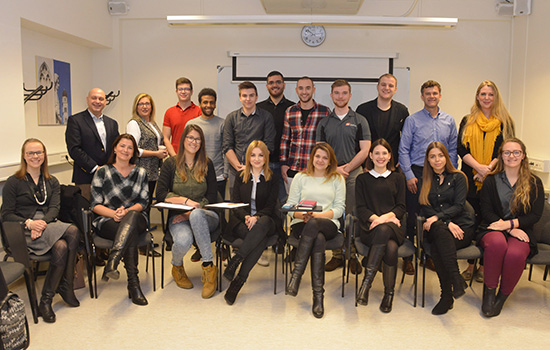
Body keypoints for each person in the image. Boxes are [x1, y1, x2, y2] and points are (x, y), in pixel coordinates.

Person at [1, 138, 81, 323]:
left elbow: (54, 208)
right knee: (63, 243)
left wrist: (42, 224)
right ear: (24, 156)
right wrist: (30, 224)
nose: (35, 156)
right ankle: (61, 290)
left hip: (47, 225)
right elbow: (6, 214)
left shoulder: (51, 181)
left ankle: (48, 298)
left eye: (39, 152)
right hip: (22, 231)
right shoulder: (14, 182)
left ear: (44, 155)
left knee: (72, 232)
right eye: (31, 153)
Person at [478, 138, 544, 317]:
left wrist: (511, 224)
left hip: (521, 230)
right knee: (497, 245)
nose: (511, 156)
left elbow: (535, 215)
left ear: (523, 156)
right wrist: (507, 229)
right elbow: (485, 211)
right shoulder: (491, 181)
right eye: (507, 152)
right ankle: (489, 294)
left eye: (516, 152)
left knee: (515, 253)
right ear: (501, 156)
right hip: (492, 227)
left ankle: (502, 297)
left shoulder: (535, 183)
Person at [458, 80, 515, 282]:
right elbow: (461, 149)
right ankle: (470, 265)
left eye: (490, 94)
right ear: (477, 97)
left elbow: (506, 150)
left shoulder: (505, 122)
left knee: (489, 221)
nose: (487, 98)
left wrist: (488, 169)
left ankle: (484, 267)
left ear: (495, 97)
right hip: (470, 178)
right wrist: (479, 168)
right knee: (471, 220)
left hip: (495, 179)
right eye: (483, 94)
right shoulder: (467, 120)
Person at [398, 80, 458, 275]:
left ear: (440, 95)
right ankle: (408, 258)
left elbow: (452, 149)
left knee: (433, 215)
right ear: (422, 97)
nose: (431, 96)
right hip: (416, 173)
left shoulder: (449, 120)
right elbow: (403, 149)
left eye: (435, 93)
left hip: (440, 175)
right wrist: (408, 175)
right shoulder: (412, 120)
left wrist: (452, 175)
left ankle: (429, 256)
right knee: (413, 215)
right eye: (427, 93)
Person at [156, 124, 219, 299]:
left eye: (197, 139)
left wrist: (191, 211)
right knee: (183, 241)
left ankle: (208, 268)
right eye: (190, 137)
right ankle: (177, 267)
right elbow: (160, 194)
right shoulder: (170, 164)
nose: (193, 142)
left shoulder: (207, 164)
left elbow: (212, 196)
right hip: (179, 217)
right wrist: (185, 203)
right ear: (183, 140)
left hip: (206, 215)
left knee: (197, 214)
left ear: (201, 143)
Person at [285, 143, 346, 318]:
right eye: (318, 156)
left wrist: (318, 216)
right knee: (317, 238)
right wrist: (302, 214)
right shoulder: (300, 177)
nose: (320, 160)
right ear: (312, 157)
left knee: (316, 226)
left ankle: (296, 275)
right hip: (301, 222)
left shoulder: (337, 179)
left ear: (330, 161)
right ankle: (318, 297)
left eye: (325, 158)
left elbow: (340, 209)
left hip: (328, 222)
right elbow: (290, 206)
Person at [316, 79, 370, 274]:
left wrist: (346, 168)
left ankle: (353, 254)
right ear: (332, 96)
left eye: (344, 93)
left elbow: (365, 150)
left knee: (352, 215)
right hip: (330, 175)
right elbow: (319, 152)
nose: (340, 96)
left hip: (353, 174)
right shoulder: (324, 122)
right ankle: (337, 255)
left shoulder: (360, 120)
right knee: (333, 215)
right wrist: (334, 168)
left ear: (350, 95)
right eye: (336, 93)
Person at [90, 134, 149, 306]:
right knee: (128, 233)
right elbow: (94, 204)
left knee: (130, 220)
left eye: (130, 147)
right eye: (122, 146)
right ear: (115, 148)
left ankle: (113, 261)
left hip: (136, 217)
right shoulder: (102, 172)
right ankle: (133, 284)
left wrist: (126, 212)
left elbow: (144, 202)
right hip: (107, 219)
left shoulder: (141, 173)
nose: (125, 150)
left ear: (134, 152)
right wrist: (113, 214)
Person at [419, 142, 474, 315]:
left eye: (440, 155)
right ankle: (455, 280)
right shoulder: (426, 180)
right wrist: (446, 222)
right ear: (428, 159)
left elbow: (459, 205)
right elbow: (425, 207)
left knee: (437, 246)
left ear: (446, 157)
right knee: (439, 233)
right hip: (442, 228)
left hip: (461, 228)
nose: (437, 160)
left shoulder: (459, 177)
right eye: (433, 156)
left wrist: (439, 217)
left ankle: (446, 296)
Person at [223, 141, 279, 305]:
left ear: (266, 157)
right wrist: (247, 217)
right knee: (259, 240)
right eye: (253, 155)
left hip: (265, 220)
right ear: (248, 157)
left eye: (260, 155)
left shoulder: (272, 178)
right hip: (242, 221)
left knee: (263, 224)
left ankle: (236, 260)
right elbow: (235, 203)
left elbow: (270, 206)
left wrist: (257, 217)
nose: (256, 159)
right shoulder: (241, 176)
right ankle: (238, 282)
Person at [355, 139, 406, 313]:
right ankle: (388, 294)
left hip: (390, 226)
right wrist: (376, 219)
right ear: (370, 155)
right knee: (390, 247)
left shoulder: (398, 178)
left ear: (390, 156)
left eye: (384, 153)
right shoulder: (362, 179)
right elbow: (360, 208)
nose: (381, 157)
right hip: (369, 228)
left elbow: (401, 207)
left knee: (385, 232)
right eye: (376, 153)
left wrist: (383, 219)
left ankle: (367, 286)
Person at [65, 88, 119, 200]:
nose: (97, 101)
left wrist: (112, 167)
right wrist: (96, 168)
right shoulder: (75, 120)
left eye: (101, 99)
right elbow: (74, 149)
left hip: (109, 177)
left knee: (109, 213)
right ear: (87, 99)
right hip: (86, 178)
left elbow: (116, 147)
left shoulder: (112, 123)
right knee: (88, 214)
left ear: (105, 102)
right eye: (94, 98)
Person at [223, 81, 276, 193]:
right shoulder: (231, 118)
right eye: (244, 95)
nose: (248, 99)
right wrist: (239, 166)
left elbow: (269, 145)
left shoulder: (266, 117)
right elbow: (227, 146)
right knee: (236, 206)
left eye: (251, 95)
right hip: (236, 171)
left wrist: (251, 167)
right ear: (240, 97)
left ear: (256, 97)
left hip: (259, 171)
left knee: (260, 204)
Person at [280, 76, 331, 190]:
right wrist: (283, 164)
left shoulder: (324, 112)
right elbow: (285, 139)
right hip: (293, 168)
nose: (304, 92)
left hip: (316, 170)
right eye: (301, 88)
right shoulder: (290, 111)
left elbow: (328, 143)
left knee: (314, 204)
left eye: (308, 88)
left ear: (314, 90)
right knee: (293, 205)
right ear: (296, 90)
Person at [126, 93, 169, 214]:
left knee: (147, 203)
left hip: (152, 171)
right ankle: (138, 229)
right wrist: (156, 154)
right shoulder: (134, 124)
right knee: (140, 204)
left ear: (152, 106)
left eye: (147, 104)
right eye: (141, 104)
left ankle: (145, 229)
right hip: (140, 171)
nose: (144, 107)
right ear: (136, 107)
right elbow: (133, 150)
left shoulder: (152, 123)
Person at [257, 71, 295, 203]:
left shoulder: (293, 108)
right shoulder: (258, 108)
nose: (275, 85)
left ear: (284, 85)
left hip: (285, 164)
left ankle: (285, 225)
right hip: (262, 163)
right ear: (267, 86)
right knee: (264, 200)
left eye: (278, 82)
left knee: (285, 201)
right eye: (271, 82)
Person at [356, 73, 409, 157]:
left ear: (395, 89)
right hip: (369, 162)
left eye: (391, 86)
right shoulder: (363, 110)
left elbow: (406, 139)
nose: (386, 88)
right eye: (383, 85)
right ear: (378, 87)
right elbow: (357, 139)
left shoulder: (402, 111)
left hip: (393, 162)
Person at [187, 88, 226, 198]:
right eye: (205, 102)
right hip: (195, 177)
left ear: (215, 104)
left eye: (211, 102)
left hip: (218, 177)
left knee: (217, 212)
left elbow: (227, 149)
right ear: (199, 104)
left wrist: (225, 173)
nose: (208, 105)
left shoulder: (223, 123)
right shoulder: (191, 125)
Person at [163, 77, 201, 156]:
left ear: (191, 92)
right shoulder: (169, 112)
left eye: (186, 89)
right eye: (180, 89)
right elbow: (166, 138)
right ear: (176, 92)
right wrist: (174, 157)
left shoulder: (199, 111)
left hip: (194, 157)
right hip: (175, 156)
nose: (183, 92)